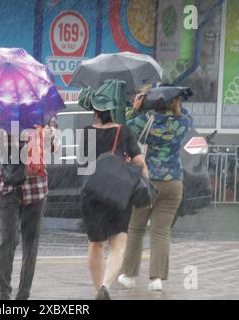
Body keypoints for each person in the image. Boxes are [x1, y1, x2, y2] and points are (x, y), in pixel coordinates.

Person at [118, 88, 192, 291]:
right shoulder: (182, 122)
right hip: (174, 183)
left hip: (148, 182)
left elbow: (124, 129)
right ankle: (156, 279)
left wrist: (136, 109)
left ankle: (130, 275)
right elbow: (188, 117)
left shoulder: (146, 120)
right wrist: (178, 101)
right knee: (161, 232)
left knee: (136, 228)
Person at [80, 100, 149, 300]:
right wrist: (146, 184)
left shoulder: (86, 132)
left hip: (92, 193)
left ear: (96, 111)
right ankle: (105, 284)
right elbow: (139, 162)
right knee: (118, 243)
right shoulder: (124, 131)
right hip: (119, 192)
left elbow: (84, 162)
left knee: (95, 244)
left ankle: (97, 291)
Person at [0, 125, 58, 301]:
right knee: (9, 239)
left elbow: (55, 148)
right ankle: (3, 291)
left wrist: (48, 136)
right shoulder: (4, 118)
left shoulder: (46, 120)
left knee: (30, 243)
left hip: (36, 188)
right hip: (9, 186)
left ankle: (24, 294)